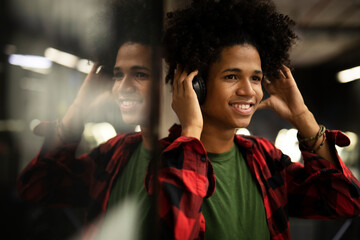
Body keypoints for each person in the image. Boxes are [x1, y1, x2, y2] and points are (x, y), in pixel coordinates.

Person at [153, 0, 360, 239]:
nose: (248, 91)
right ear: (196, 85)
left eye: (256, 78)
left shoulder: (264, 159)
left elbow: (346, 201)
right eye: (231, 76)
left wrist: (302, 117)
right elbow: (174, 231)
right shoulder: (158, 161)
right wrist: (191, 130)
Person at [17, 0, 158, 239]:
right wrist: (78, 109)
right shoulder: (116, 154)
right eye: (117, 75)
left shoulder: (191, 162)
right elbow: (36, 186)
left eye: (140, 74)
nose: (123, 87)